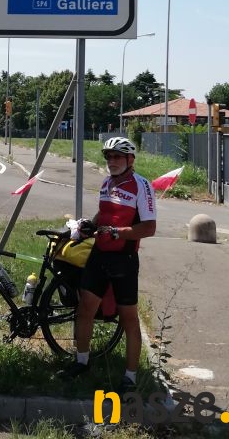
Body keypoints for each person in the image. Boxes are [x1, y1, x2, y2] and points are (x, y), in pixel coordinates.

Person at [61, 136, 156, 392]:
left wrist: (117, 233)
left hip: (124, 260)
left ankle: (130, 377)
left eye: (117, 156)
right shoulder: (106, 182)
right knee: (85, 309)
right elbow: (104, 214)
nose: (111, 161)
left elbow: (149, 227)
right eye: (108, 156)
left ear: (130, 159)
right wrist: (88, 225)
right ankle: (82, 362)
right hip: (99, 255)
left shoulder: (142, 186)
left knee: (129, 319)